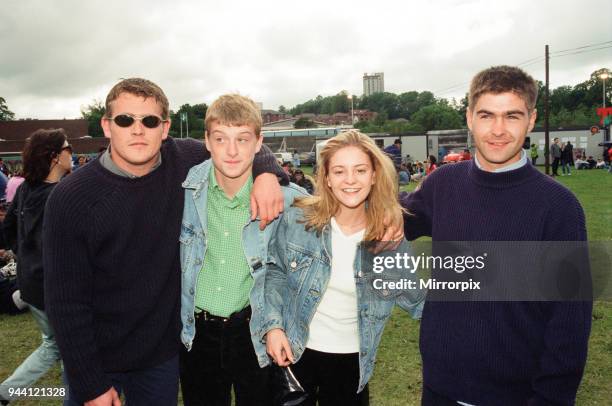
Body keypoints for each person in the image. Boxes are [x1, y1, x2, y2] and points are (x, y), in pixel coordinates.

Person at [43, 78, 287, 406]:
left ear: (165, 127)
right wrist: (90, 384)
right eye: (125, 120)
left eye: (150, 121)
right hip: (96, 356)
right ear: (106, 125)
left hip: (160, 356)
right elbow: (64, 301)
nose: (138, 130)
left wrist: (268, 174)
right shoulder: (70, 198)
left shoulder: (182, 160)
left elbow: (238, 142)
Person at [401, 66, 592, 405]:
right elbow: (380, 221)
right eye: (487, 115)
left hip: (515, 395)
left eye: (512, 116)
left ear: (531, 121)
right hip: (439, 389)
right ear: (470, 118)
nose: (499, 130)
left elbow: (569, 323)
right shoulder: (442, 184)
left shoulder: (559, 207)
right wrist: (270, 168)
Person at [261, 130, 423, 405]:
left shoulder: (388, 238)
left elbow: (419, 300)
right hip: (296, 355)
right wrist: (273, 327)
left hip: (352, 365)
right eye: (339, 171)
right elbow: (274, 273)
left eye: (360, 170)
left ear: (374, 176)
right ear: (326, 178)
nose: (350, 180)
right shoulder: (298, 221)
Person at [178, 94, 308, 406]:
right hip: (196, 332)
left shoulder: (288, 199)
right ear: (206, 141)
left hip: (255, 329)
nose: (232, 151)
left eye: (243, 139)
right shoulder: (182, 188)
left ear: (259, 142)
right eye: (221, 139)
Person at [0, 129, 73, 404]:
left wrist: (25, 260)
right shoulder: (59, 195)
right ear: (55, 156)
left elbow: (8, 229)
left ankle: (5, 394)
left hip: (30, 284)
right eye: (68, 148)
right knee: (65, 345)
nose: (72, 153)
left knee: (55, 345)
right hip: (51, 288)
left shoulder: (26, 189)